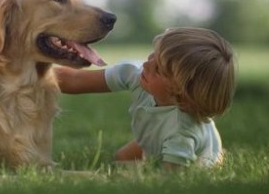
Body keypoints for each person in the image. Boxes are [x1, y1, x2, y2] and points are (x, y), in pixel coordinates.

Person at [55, 27, 236, 171]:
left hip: (198, 157)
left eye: (158, 69)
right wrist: (29, 73)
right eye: (152, 56)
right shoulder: (136, 74)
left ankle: (219, 156)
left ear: (182, 96)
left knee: (134, 171)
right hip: (152, 137)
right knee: (121, 158)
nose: (146, 65)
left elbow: (169, 184)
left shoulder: (182, 133)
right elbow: (73, 80)